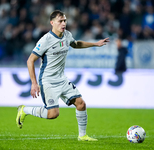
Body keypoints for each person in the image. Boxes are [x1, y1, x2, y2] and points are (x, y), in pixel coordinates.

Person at [16, 10, 109, 141]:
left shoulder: (67, 35)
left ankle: (82, 136)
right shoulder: (45, 40)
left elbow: (76, 44)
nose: (64, 23)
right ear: (52, 23)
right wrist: (34, 83)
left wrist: (95, 44)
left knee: (81, 104)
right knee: (53, 114)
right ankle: (24, 110)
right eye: (60, 21)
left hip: (62, 79)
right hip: (48, 81)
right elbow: (30, 60)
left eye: (65, 20)